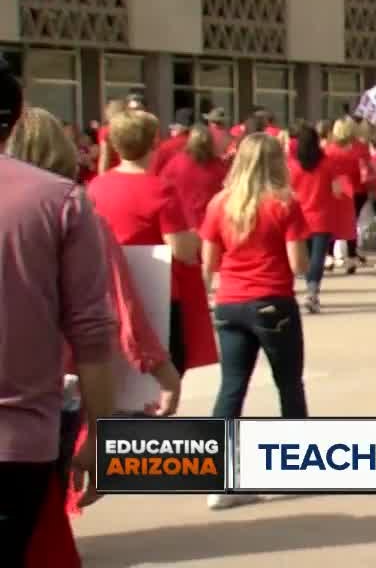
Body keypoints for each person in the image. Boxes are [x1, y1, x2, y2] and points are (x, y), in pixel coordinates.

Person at [0, 62, 117, 566]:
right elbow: (92, 333)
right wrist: (101, 437)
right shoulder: (60, 200)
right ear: (16, 117)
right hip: (17, 444)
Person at [201, 134, 309, 509]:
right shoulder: (284, 203)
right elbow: (298, 265)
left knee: (231, 388)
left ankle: (219, 480)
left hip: (229, 302)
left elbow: (208, 263)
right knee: (289, 385)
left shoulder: (219, 204)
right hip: (272, 302)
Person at [88, 109, 208, 375]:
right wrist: (197, 236)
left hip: (110, 293)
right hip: (158, 292)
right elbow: (182, 249)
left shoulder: (96, 186)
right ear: (154, 141)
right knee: (162, 381)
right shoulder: (160, 188)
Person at [288, 124, 340, 313]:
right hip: (322, 216)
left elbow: (289, 191)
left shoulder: (293, 166)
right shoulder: (327, 163)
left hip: (299, 217)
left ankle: (301, 286)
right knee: (318, 257)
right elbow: (337, 190)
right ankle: (312, 292)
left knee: (306, 256)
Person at [160, 124, 229, 230]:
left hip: (182, 225)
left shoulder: (175, 163)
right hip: (208, 225)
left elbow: (162, 189)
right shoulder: (219, 167)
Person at [325, 117, 368, 274]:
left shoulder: (329, 150)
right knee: (351, 224)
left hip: (333, 189)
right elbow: (365, 170)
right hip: (355, 189)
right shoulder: (360, 148)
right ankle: (350, 257)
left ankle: (329, 256)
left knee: (332, 223)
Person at [150, 107, 194, 176]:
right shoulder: (198, 144)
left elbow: (155, 171)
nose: (171, 130)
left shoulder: (166, 146)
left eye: (173, 128)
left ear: (178, 127)